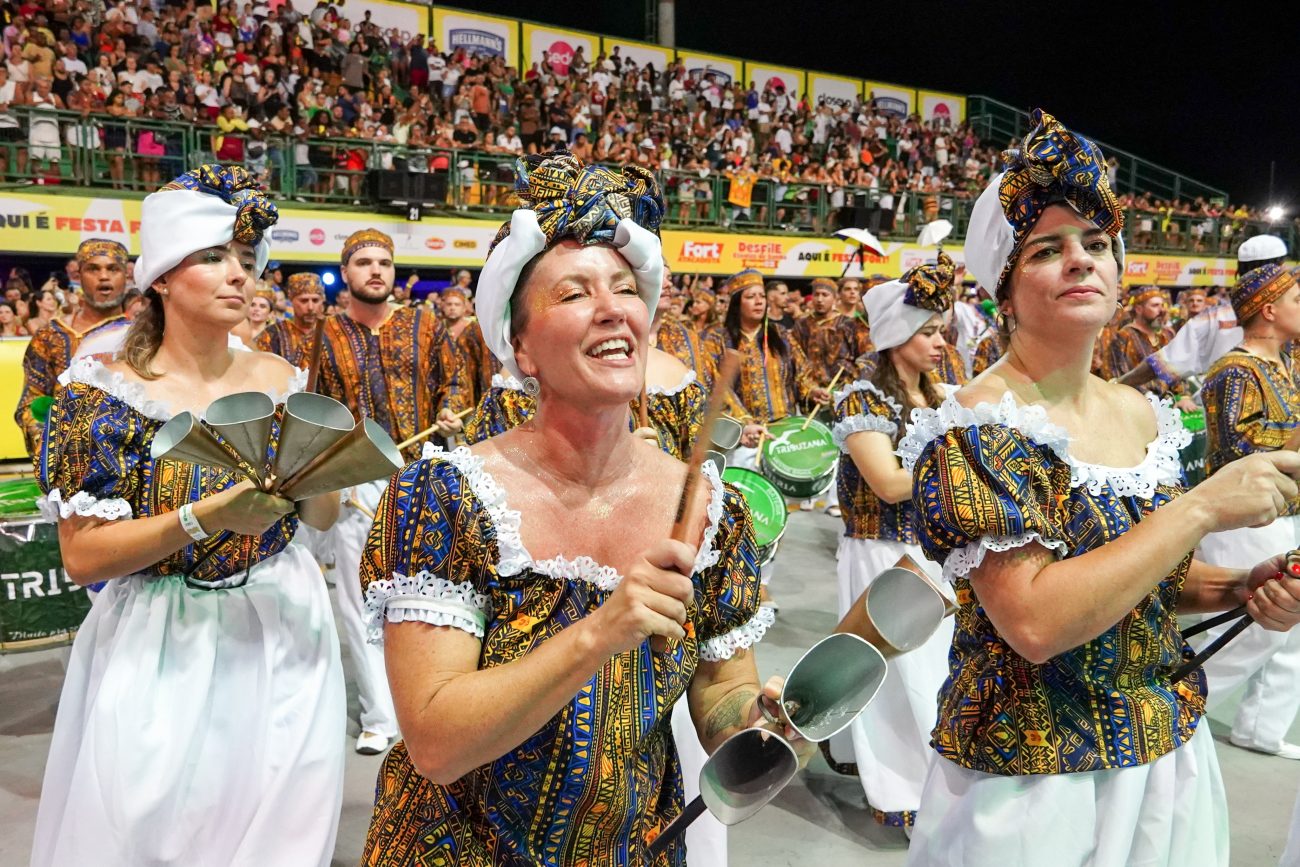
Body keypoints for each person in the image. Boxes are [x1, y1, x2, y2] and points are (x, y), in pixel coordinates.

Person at [357, 150, 805, 867]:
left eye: (625, 287)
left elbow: (724, 688)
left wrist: (763, 721)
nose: (611, 307)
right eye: (572, 293)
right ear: (522, 349)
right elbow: (437, 742)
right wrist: (601, 632)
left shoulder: (712, 507)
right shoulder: (442, 497)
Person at [899, 111, 1300, 866]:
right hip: (1032, 788)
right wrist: (1204, 504)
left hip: (1168, 759)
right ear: (1006, 293)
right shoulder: (980, 427)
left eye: (1098, 244)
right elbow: (1037, 620)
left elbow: (1149, 581)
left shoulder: (1138, 411)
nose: (1082, 261)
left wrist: (1242, 586)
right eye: (1048, 249)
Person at [30, 165, 344, 866]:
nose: (239, 276)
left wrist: (330, 470)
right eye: (212, 257)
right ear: (164, 277)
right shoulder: (101, 389)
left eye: (244, 259)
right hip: (162, 638)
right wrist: (204, 517)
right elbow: (84, 556)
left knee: (282, 834)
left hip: (287, 625)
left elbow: (319, 515)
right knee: (145, 832)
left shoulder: (278, 375)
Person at [317, 227, 469, 755]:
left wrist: (450, 406)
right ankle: (379, 716)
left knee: (429, 591)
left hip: (421, 469)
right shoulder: (327, 334)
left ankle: (432, 702)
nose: (376, 270)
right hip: (355, 475)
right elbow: (319, 405)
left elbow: (453, 379)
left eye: (384, 261)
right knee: (358, 600)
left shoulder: (424, 324)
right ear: (347, 273)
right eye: (363, 263)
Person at [829, 253, 957, 831]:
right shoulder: (862, 401)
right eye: (927, 331)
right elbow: (887, 485)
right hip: (881, 553)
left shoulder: (941, 395)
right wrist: (962, 469)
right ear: (895, 337)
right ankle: (907, 796)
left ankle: (936, 791)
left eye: (941, 330)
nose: (939, 341)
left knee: (936, 676)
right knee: (901, 681)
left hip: (934, 554)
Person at [1195, 263, 1300, 759]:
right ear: (1269, 310)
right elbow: (1240, 454)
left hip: (1289, 513)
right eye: (1297, 300)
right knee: (1245, 631)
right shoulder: (1232, 371)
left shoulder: (1290, 363)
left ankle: (1262, 729)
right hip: (1249, 521)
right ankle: (1183, 706)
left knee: (1294, 633)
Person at [15, 239, 129, 456]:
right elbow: (30, 403)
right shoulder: (50, 335)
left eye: (113, 269)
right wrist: (49, 444)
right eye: (93, 269)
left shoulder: (141, 337)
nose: (103, 276)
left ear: (126, 276)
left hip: (124, 461)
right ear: (78, 276)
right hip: (60, 462)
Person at [1104, 285, 1177, 396]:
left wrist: (1184, 396)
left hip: (1167, 402)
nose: (1162, 310)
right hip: (1135, 401)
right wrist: (1145, 395)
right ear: (1139, 309)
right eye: (1155, 305)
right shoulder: (1124, 336)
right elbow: (1117, 376)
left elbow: (1177, 369)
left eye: (1163, 305)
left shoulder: (1167, 335)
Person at [439, 286, 496, 409]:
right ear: (443, 306)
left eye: (457, 304)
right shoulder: (437, 329)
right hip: (443, 389)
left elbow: (486, 363)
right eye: (449, 304)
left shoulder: (476, 329)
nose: (452, 307)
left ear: (464, 307)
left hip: (472, 388)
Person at [256, 272, 327, 367]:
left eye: (315, 300)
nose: (310, 307)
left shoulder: (332, 332)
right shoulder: (272, 335)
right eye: (304, 301)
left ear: (322, 300)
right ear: (291, 300)